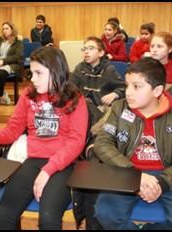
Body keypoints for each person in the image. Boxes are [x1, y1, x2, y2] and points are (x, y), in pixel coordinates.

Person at [0, 46, 89, 230]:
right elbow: (12, 131)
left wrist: (48, 170)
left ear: (55, 71)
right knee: (3, 215)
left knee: (48, 219)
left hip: (64, 164)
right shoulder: (28, 95)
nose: (33, 79)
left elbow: (76, 143)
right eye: (32, 73)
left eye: (39, 73)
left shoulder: (75, 98)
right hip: (33, 161)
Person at [93, 58, 172, 230]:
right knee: (105, 213)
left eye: (136, 86)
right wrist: (134, 174)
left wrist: (162, 183)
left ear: (157, 90)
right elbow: (102, 143)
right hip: (125, 170)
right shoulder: (119, 107)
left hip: (168, 173)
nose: (128, 92)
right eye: (127, 85)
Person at [70, 36, 126, 229]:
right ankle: (86, 148)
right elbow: (69, 88)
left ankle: (91, 148)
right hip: (84, 111)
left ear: (101, 53)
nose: (86, 52)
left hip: (101, 114)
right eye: (84, 48)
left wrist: (115, 94)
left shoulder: (109, 70)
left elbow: (123, 88)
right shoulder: (79, 68)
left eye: (91, 48)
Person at [0, 21, 23, 105]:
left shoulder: (17, 42)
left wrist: (4, 61)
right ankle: (2, 94)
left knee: (0, 75)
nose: (4, 30)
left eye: (7, 28)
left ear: (12, 30)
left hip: (11, 64)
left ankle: (0, 94)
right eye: (3, 29)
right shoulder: (0, 41)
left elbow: (18, 56)